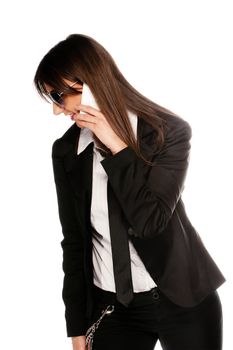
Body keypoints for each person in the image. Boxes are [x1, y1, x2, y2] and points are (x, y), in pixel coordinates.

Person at [34, 34, 226, 350]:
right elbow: (75, 242)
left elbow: (150, 221)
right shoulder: (67, 152)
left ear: (90, 83)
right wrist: (76, 324)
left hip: (183, 298)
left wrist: (118, 147)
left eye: (58, 96)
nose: (57, 110)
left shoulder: (168, 133)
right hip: (113, 308)